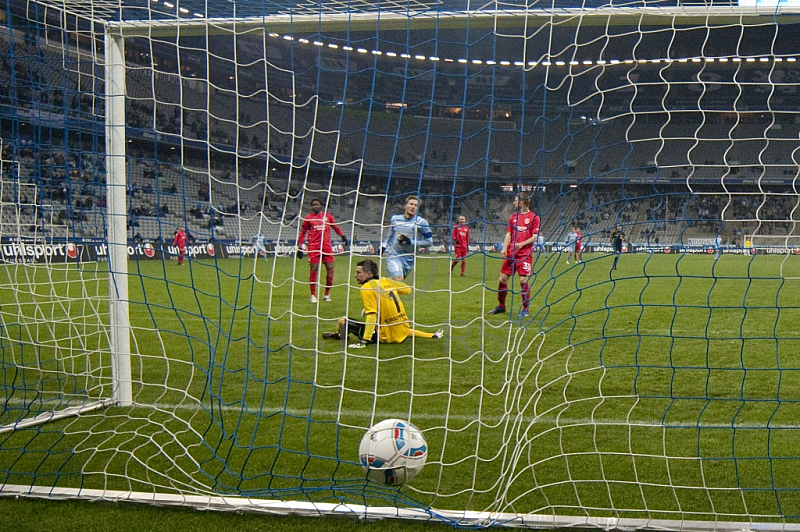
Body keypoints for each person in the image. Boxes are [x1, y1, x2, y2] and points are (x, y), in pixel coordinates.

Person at [321, 259, 444, 348]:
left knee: (343, 321)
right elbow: (407, 289)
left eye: (359, 272)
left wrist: (365, 340)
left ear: (369, 274)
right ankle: (433, 335)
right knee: (395, 324)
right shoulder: (385, 281)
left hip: (385, 336)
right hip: (401, 330)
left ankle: (340, 335)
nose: (355, 275)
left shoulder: (367, 288)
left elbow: (371, 316)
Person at [487, 192, 540, 319]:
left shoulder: (534, 218)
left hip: (525, 255)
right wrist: (504, 249)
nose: (514, 203)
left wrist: (522, 244)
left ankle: (525, 308)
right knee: (502, 279)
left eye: (516, 200)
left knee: (523, 280)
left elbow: (535, 236)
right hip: (511, 254)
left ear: (522, 202)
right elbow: (508, 234)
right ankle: (501, 305)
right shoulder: (512, 217)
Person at [297, 198, 349, 303]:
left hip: (326, 247)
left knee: (330, 268)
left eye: (317, 204)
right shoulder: (308, 218)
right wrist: (299, 246)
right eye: (313, 205)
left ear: (321, 206)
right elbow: (303, 233)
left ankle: (326, 294)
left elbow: (335, 227)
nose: (315, 206)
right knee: (314, 269)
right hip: (313, 247)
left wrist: (343, 236)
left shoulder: (328, 216)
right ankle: (313, 295)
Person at [383, 195, 433, 281]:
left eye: (416, 205)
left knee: (396, 283)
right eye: (411, 204)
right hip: (394, 255)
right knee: (398, 278)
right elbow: (390, 234)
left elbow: (429, 242)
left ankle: (381, 289)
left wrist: (411, 242)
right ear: (405, 206)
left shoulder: (422, 222)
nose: (413, 207)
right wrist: (383, 245)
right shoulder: (395, 219)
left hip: (409, 259)